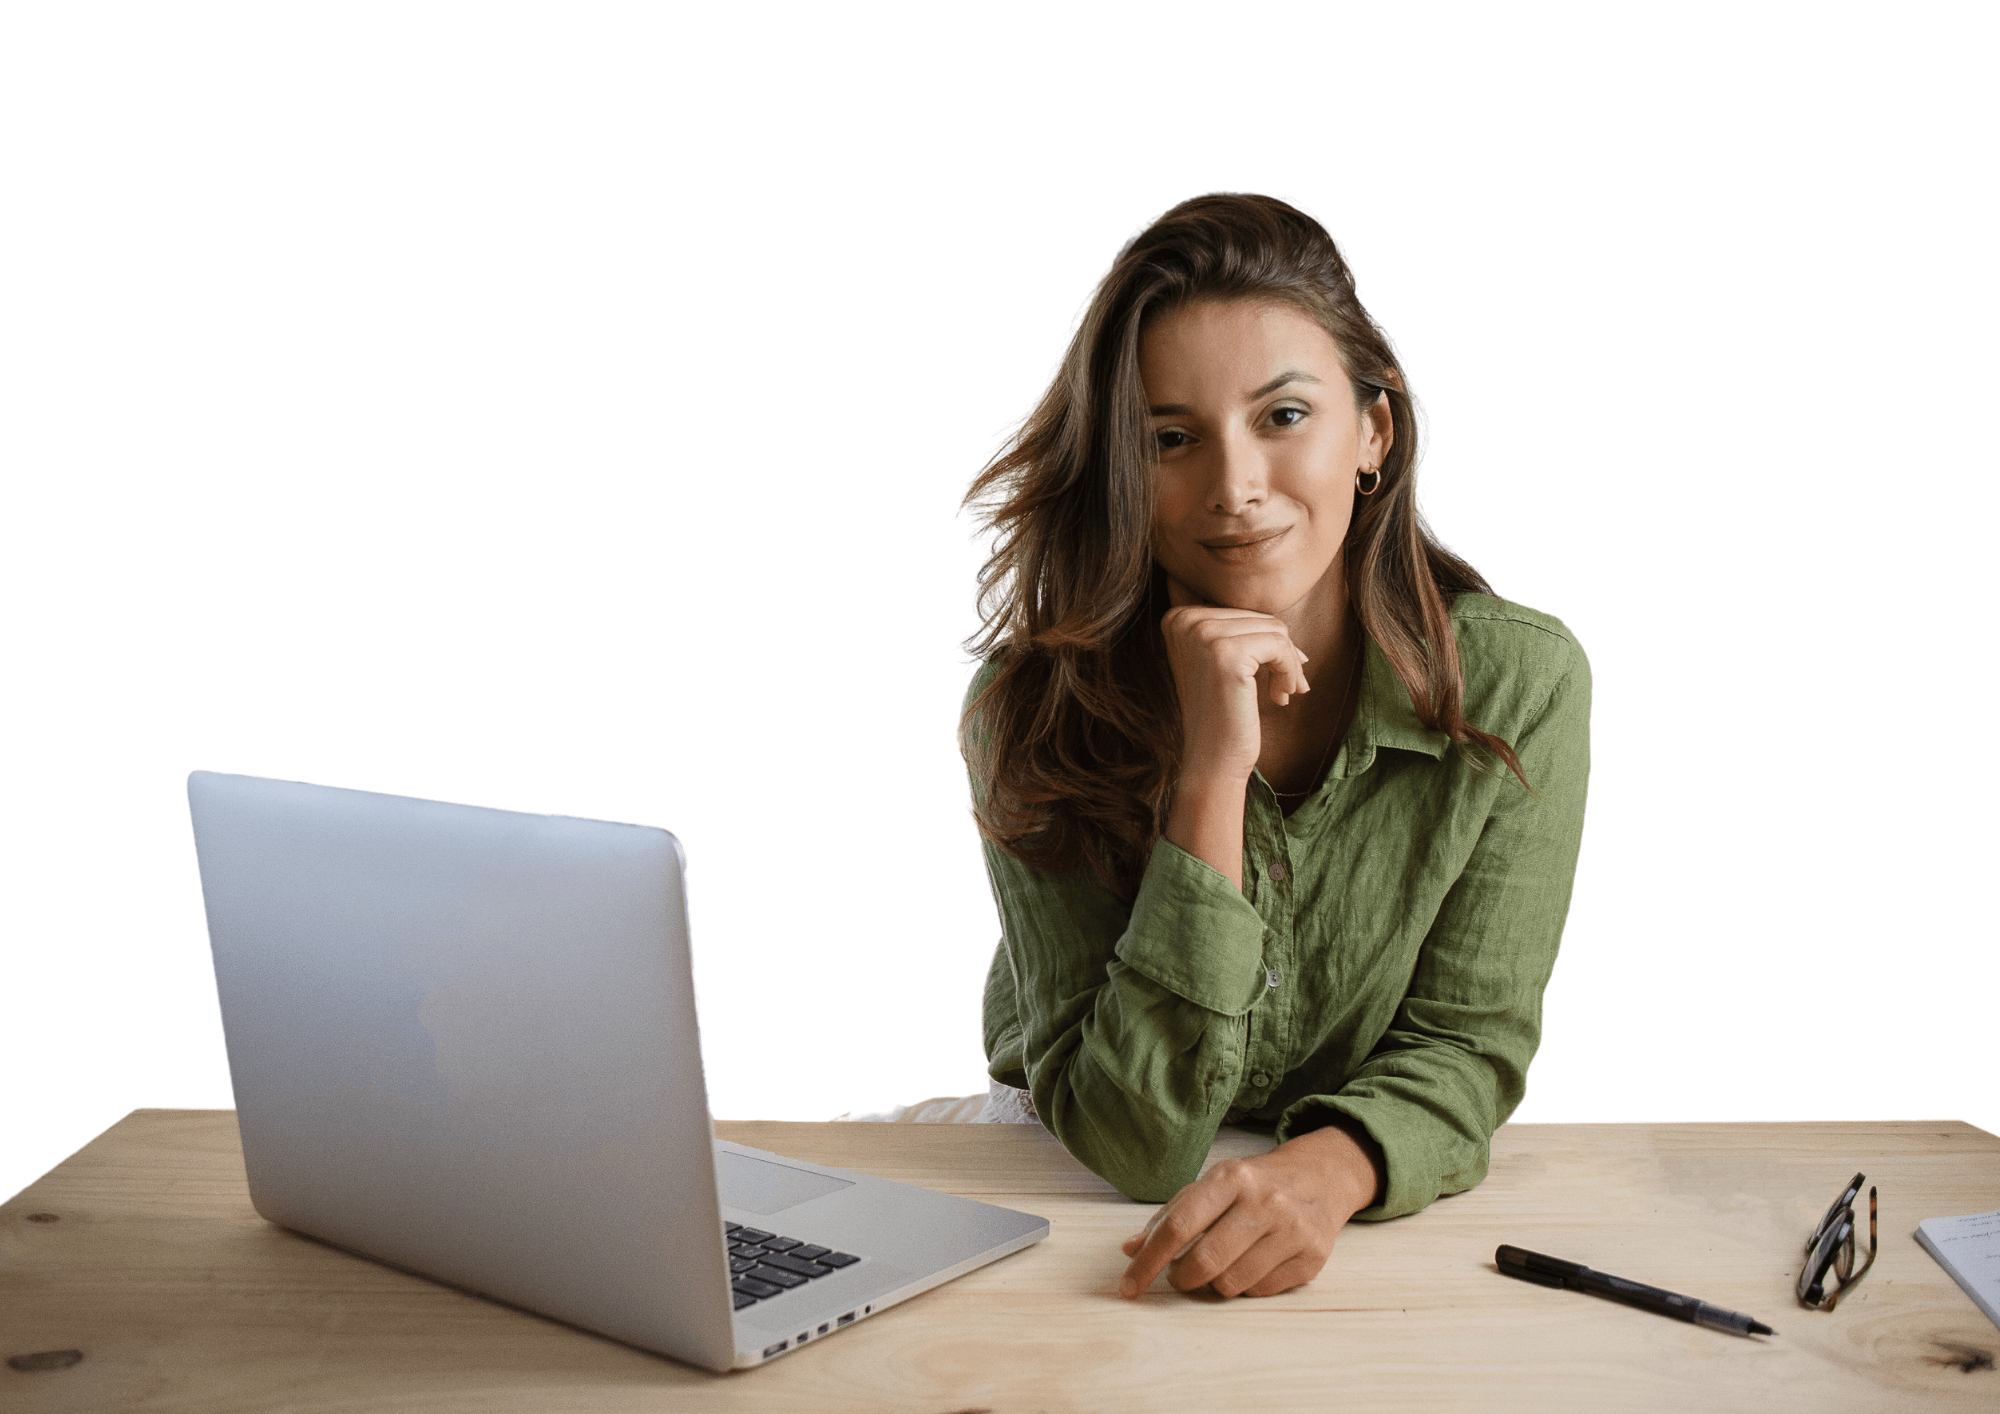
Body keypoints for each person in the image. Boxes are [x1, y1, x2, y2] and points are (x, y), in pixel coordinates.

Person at [959, 194, 1590, 1303]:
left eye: (1282, 416)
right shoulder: (1028, 710)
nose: (1234, 486)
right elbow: (1132, 1142)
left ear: (1373, 434)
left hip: (1366, 1219)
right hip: (1061, 1203)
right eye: (1168, 438)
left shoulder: (1516, 685)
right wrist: (1208, 773)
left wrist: (1328, 1170)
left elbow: (1466, 1045)